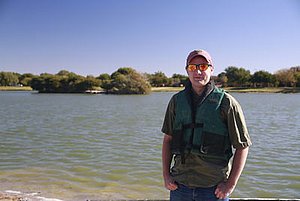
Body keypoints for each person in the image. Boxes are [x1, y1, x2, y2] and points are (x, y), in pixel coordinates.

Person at [161, 49, 252, 201]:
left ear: (211, 69)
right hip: (179, 186)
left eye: (203, 66)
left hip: (213, 189)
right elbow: (167, 140)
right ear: (187, 71)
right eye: (192, 67)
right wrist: (166, 176)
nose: (197, 71)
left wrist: (230, 184)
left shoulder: (227, 103)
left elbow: (242, 146)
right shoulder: (176, 102)